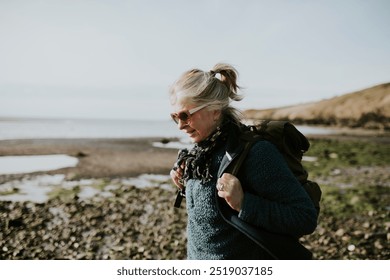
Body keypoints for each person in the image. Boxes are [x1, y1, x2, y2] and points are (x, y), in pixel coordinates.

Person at [169, 63, 318, 260]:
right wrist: (184, 182)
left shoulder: (256, 153)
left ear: (215, 110)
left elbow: (304, 217)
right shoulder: (198, 154)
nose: (180, 125)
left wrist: (244, 203)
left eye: (185, 115)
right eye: (175, 117)